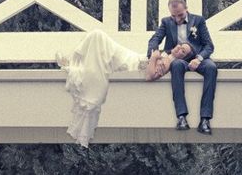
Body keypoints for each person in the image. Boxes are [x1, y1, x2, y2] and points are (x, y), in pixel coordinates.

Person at [56, 29, 191, 147]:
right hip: (132, 56)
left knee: (97, 36)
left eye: (183, 51)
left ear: (183, 57)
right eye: (180, 45)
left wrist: (155, 58)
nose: (179, 48)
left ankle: (72, 61)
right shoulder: (167, 54)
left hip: (131, 64)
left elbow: (149, 76)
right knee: (95, 36)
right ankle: (73, 62)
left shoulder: (169, 62)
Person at [147, 0, 217, 135]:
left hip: (198, 57)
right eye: (174, 16)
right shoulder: (166, 22)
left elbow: (209, 45)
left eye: (180, 15)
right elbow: (154, 40)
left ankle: (205, 119)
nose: (177, 19)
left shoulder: (198, 21)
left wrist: (199, 58)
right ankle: (181, 117)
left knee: (211, 68)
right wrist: (155, 57)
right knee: (176, 66)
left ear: (186, 9)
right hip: (179, 58)